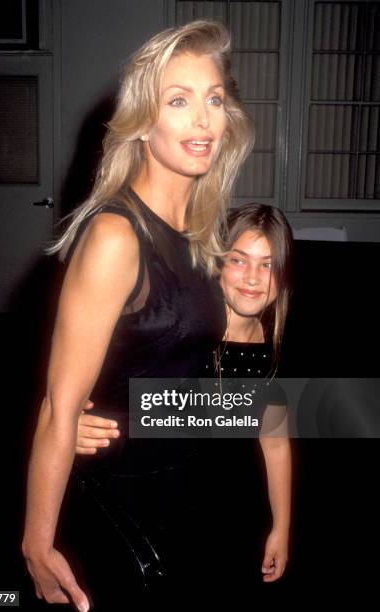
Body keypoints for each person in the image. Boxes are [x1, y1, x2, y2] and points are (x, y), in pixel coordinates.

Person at [22, 19, 255, 612]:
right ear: (143, 123)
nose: (204, 119)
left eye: (214, 99)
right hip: (121, 499)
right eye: (178, 101)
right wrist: (36, 542)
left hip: (182, 475)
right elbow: (58, 405)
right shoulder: (116, 235)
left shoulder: (200, 232)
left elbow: (176, 381)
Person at [73, 203, 293, 599]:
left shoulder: (272, 341)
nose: (253, 278)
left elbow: (274, 441)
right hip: (166, 498)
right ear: (215, 265)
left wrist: (282, 527)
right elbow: (122, 389)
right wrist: (76, 420)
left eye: (268, 265)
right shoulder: (186, 333)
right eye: (238, 261)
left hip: (235, 505)